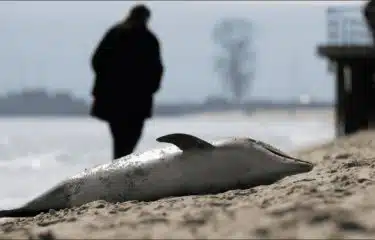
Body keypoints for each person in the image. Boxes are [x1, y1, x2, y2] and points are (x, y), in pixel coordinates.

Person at [90, 4, 164, 160]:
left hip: (120, 99)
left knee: (123, 139)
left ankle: (121, 164)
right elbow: (156, 70)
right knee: (126, 139)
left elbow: (97, 61)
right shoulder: (146, 39)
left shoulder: (118, 34)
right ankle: (121, 165)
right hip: (130, 100)